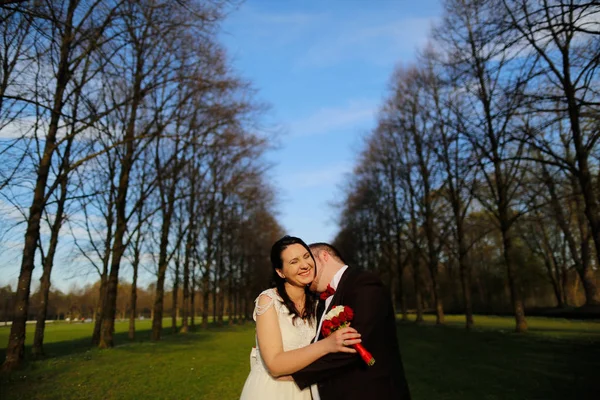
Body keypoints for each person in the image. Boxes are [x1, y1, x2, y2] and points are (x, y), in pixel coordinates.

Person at [240, 236, 362, 400]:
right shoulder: (269, 300)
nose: (304, 265)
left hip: (310, 390)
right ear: (280, 272)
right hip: (273, 391)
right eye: (294, 262)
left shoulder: (320, 302)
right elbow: (275, 364)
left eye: (306, 256)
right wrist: (327, 345)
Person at [291, 242, 412, 400]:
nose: (305, 275)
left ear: (324, 256)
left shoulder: (364, 283)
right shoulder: (319, 302)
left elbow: (355, 344)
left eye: (309, 264)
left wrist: (294, 374)